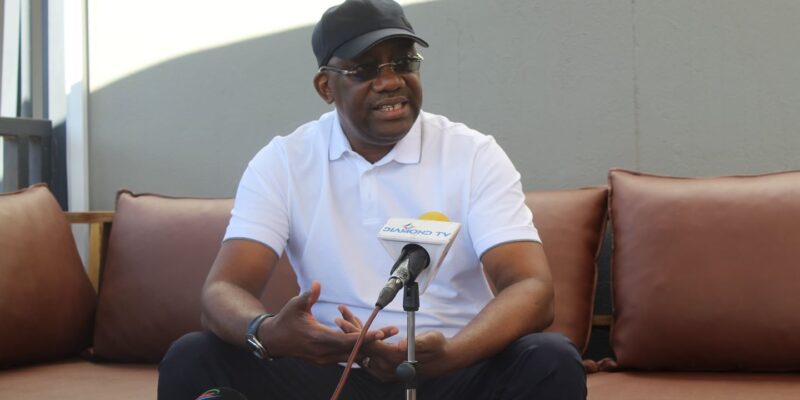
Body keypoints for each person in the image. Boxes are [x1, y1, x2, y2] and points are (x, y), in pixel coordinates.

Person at [158, 0, 586, 399]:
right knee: (193, 356)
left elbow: (531, 286)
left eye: (403, 62)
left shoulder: (472, 154)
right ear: (325, 86)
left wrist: (450, 356)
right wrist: (268, 331)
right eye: (364, 70)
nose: (391, 81)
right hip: (331, 371)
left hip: (451, 368)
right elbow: (224, 289)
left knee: (550, 360)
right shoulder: (284, 161)